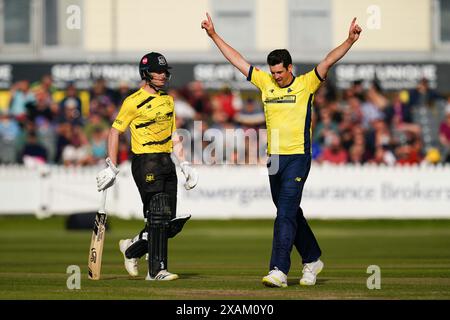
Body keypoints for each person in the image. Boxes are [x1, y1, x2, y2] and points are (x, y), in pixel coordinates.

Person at [202, 13, 362, 287]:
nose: (276, 77)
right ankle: (312, 259)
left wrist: (349, 40)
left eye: (280, 72)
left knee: (284, 213)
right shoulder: (265, 83)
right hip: (274, 159)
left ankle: (279, 269)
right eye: (273, 72)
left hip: (299, 156)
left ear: (290, 68)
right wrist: (214, 36)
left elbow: (328, 60)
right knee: (290, 211)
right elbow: (238, 61)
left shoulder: (306, 84)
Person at [96, 52, 199, 281]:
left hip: (166, 161)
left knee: (169, 222)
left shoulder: (168, 100)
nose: (163, 75)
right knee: (159, 215)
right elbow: (115, 131)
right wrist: (111, 166)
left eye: (165, 71)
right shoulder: (133, 101)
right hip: (145, 161)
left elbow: (174, 134)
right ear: (145, 74)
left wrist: (185, 164)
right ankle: (156, 271)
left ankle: (132, 248)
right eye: (158, 71)